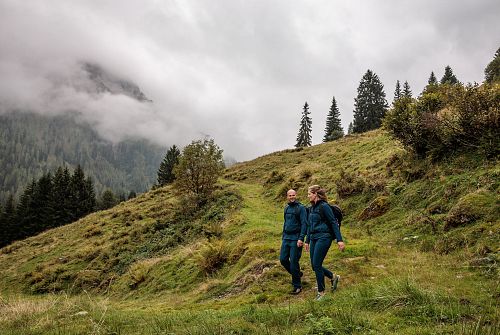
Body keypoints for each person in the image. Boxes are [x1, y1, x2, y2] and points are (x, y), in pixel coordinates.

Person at [305, 185, 345, 301]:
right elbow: (309, 225)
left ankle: (321, 293)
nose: (308, 196)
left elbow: (333, 223)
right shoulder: (311, 208)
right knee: (314, 265)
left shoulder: (324, 207)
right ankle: (333, 277)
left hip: (324, 237)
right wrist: (307, 241)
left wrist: (339, 240)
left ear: (315, 194)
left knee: (317, 264)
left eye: (309, 194)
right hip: (313, 238)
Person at [280, 189, 308, 294]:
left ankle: (297, 286)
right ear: (287, 196)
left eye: (293, 195)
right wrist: (283, 235)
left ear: (296, 195)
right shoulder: (286, 208)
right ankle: (297, 274)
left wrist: (301, 238)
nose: (292, 197)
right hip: (286, 237)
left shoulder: (301, 208)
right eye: (290, 195)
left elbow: (304, 224)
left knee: (294, 262)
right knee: (283, 259)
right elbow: (285, 222)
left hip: (296, 238)